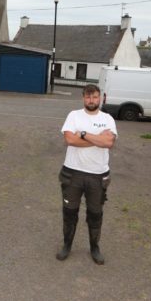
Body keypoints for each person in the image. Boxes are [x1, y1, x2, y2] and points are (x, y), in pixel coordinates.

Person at [56, 84, 117, 265]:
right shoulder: (73, 115)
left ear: (100, 98)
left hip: (98, 175)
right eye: (88, 97)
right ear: (83, 98)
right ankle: (67, 245)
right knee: (69, 212)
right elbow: (69, 140)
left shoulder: (107, 119)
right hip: (72, 172)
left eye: (95, 97)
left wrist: (82, 134)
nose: (92, 100)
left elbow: (109, 142)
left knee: (95, 213)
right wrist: (97, 139)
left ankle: (94, 247)